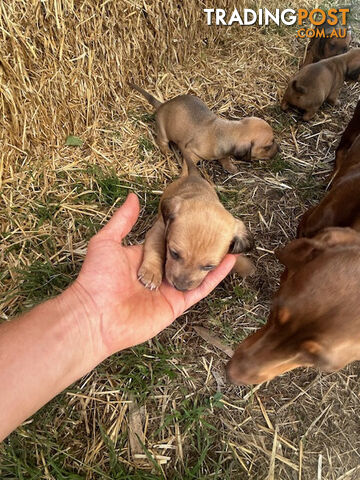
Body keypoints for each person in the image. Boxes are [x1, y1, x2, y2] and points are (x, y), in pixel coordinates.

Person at [0, 193, 237, 441]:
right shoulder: (174, 209)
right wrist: (155, 259)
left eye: (207, 266)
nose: (181, 280)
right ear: (168, 216)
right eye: (176, 254)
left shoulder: (226, 233)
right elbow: (157, 232)